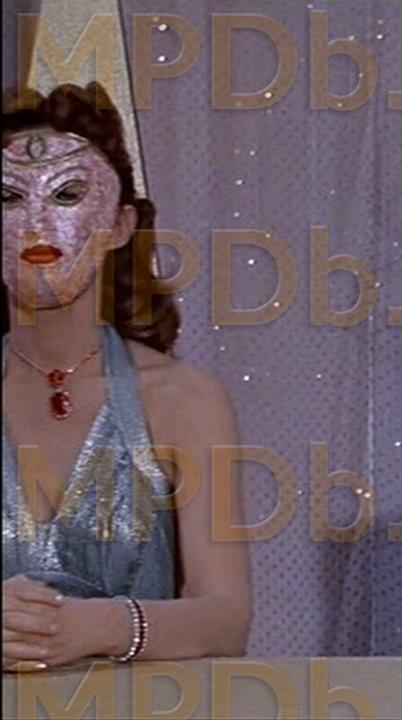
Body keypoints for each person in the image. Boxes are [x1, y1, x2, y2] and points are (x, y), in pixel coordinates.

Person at [2, 83, 250, 671]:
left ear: (120, 224)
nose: (37, 223)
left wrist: (101, 626)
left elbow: (226, 619)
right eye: (8, 197)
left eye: (68, 194)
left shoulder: (183, 399)